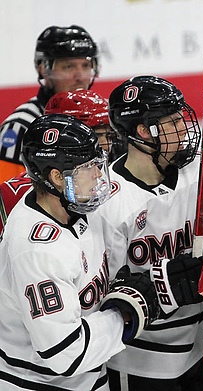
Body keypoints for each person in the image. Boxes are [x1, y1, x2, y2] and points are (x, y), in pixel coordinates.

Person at [98, 75, 203, 391]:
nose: (185, 128)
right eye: (173, 121)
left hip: (201, 349)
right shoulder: (109, 201)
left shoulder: (202, 171)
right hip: (140, 361)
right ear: (142, 132)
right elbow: (107, 297)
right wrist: (170, 283)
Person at [0, 113, 158, 390]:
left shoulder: (74, 207)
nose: (99, 176)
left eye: (99, 165)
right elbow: (65, 354)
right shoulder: (37, 249)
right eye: (89, 168)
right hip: (38, 382)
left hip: (88, 378)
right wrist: (129, 312)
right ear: (57, 177)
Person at [0, 90, 116, 233]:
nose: (105, 145)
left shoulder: (105, 177)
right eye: (97, 134)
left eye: (109, 134)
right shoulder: (12, 194)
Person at [0, 25, 99, 182]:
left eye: (86, 65)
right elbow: (7, 196)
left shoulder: (102, 117)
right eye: (68, 66)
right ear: (43, 70)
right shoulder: (19, 127)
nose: (80, 76)